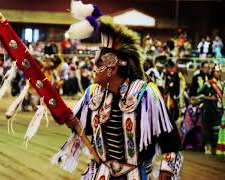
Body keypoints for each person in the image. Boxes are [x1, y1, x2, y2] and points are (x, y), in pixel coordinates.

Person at [52, 9, 183, 179]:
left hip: (136, 174)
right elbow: (83, 128)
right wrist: (65, 117)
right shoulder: (93, 93)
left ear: (111, 68)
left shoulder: (146, 94)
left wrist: (166, 170)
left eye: (98, 63)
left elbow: (171, 142)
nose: (93, 68)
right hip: (102, 174)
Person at [198, 65, 223, 154]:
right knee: (206, 131)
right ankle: (202, 148)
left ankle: (215, 149)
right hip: (208, 111)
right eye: (217, 71)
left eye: (220, 71)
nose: (219, 73)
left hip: (219, 111)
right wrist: (208, 98)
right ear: (213, 72)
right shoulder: (208, 84)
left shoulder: (223, 84)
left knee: (217, 131)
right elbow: (199, 95)